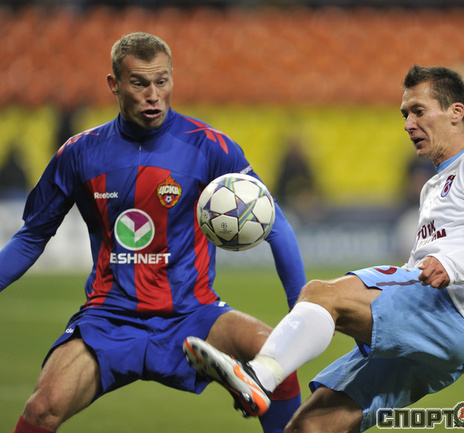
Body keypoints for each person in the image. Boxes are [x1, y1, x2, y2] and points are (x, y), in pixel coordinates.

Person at [183, 64, 464, 432]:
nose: (408, 124)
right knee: (309, 426)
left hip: (449, 313)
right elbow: (428, 261)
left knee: (320, 294)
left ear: (456, 112)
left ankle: (259, 375)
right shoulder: (433, 186)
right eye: (405, 114)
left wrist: (452, 266)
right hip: (438, 341)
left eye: (418, 111)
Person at [0, 32, 306, 433]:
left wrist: (300, 313)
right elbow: (31, 237)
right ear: (114, 85)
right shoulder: (79, 153)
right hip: (110, 318)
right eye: (139, 83)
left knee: (278, 362)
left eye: (162, 81)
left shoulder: (210, 147)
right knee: (42, 408)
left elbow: (275, 225)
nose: (153, 95)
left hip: (193, 314)